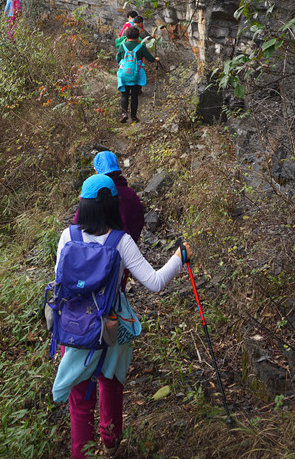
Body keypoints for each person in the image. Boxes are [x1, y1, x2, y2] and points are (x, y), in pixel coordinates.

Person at [52, 174, 192, 458]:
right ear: (112, 205)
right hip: (109, 327)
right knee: (111, 382)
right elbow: (154, 282)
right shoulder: (120, 241)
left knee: (79, 402)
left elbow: (59, 281)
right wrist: (179, 257)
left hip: (74, 328)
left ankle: (82, 454)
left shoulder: (68, 236)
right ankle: (111, 443)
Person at [73, 151, 144, 244]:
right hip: (127, 244)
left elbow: (77, 223)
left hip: (95, 249)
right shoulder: (130, 194)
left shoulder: (92, 194)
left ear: (96, 171)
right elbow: (138, 221)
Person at [116, 27, 160, 123]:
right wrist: (156, 59)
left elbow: (117, 58)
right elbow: (150, 58)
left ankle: (124, 113)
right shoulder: (141, 47)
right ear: (137, 37)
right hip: (136, 74)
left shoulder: (122, 46)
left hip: (124, 73)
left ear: (126, 36)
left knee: (124, 95)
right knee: (134, 96)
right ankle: (133, 117)